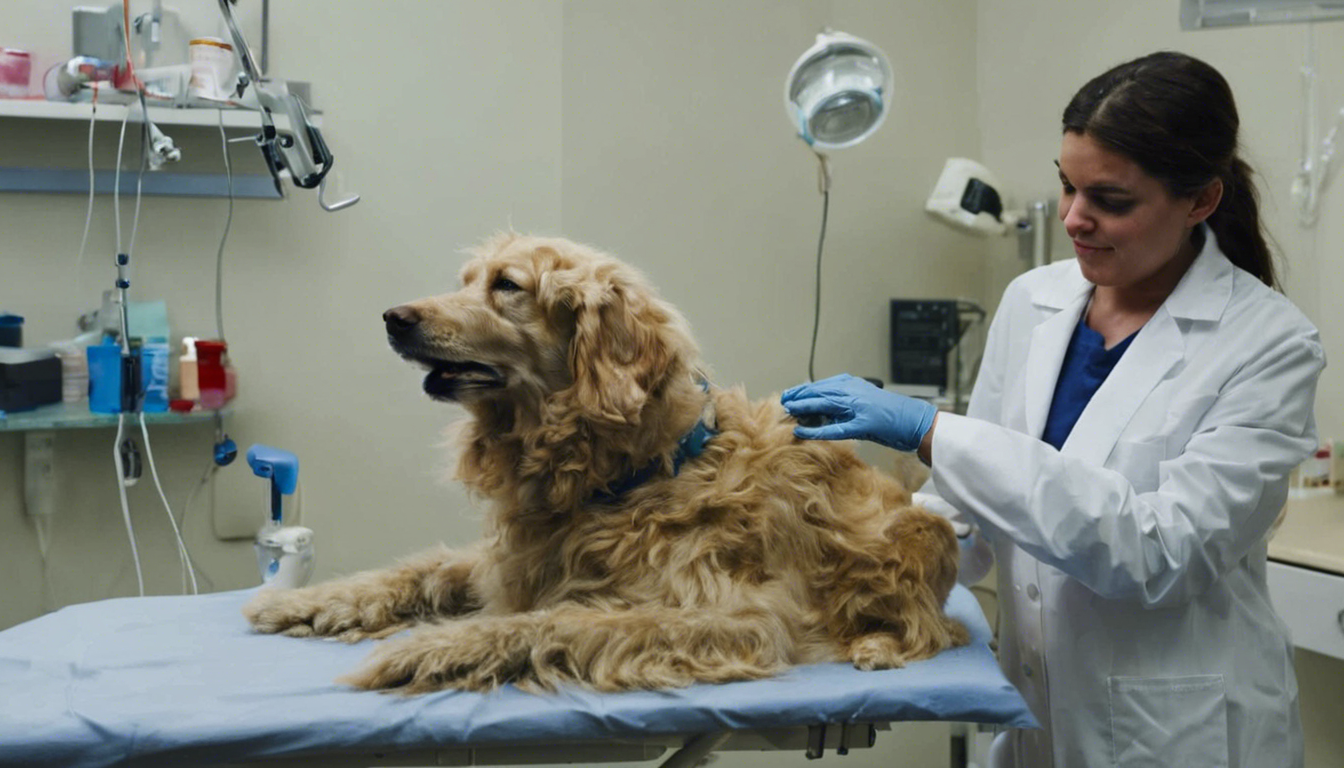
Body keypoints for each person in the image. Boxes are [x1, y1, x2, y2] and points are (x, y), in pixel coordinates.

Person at [781, 51, 1324, 768]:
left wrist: (933, 432)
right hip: (1035, 718)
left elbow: (1159, 555)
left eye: (1111, 200)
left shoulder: (1269, 343)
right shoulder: (1033, 301)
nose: (1074, 218)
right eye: (1067, 186)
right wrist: (841, 551)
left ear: (1200, 201)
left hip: (1179, 736)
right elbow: (971, 516)